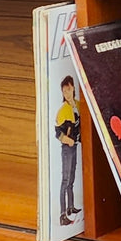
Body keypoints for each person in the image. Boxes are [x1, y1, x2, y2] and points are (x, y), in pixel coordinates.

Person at [54, 74, 83, 226]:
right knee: (65, 180)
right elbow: (57, 132)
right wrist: (68, 140)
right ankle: (62, 214)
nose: (67, 93)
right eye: (64, 91)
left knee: (71, 178)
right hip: (67, 147)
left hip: (75, 145)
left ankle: (71, 207)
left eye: (69, 89)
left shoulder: (78, 105)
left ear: (73, 89)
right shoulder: (63, 111)